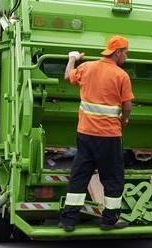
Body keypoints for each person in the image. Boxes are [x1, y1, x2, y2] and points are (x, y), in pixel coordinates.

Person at [59, 35, 134, 231]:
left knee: (80, 175)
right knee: (113, 178)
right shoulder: (121, 75)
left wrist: (72, 58)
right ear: (117, 52)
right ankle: (109, 220)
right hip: (109, 136)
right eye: (125, 52)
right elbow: (127, 105)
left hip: (85, 134)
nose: (126, 56)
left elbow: (68, 76)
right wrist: (124, 120)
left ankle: (68, 220)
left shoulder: (87, 67)